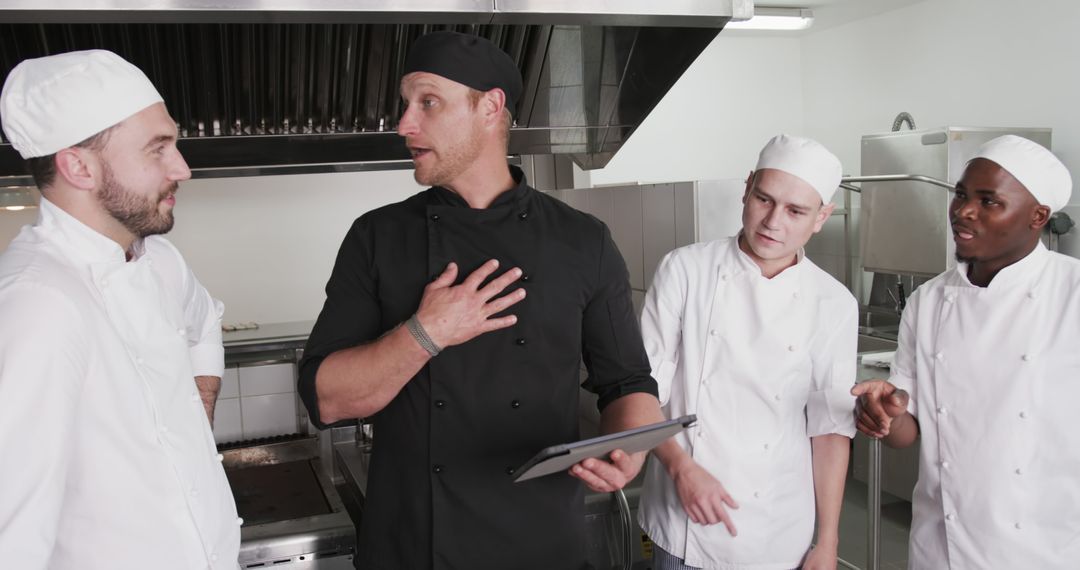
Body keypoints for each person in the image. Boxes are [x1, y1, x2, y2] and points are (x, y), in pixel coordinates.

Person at [298, 31, 663, 569]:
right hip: (415, 545)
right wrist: (427, 333)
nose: (404, 124)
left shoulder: (583, 240)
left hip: (542, 546)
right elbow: (326, 399)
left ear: (490, 108)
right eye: (406, 104)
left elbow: (628, 385)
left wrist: (629, 450)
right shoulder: (377, 237)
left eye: (427, 102)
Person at [0, 50, 238, 568]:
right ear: (78, 166)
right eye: (158, 149)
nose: (183, 169)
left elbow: (205, 324)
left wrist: (201, 400)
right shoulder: (38, 306)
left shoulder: (161, 262)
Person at [852, 134, 1080, 568]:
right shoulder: (930, 300)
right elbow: (906, 431)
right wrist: (885, 412)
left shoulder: (1072, 294)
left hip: (1046, 548)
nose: (963, 211)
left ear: (1038, 216)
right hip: (941, 545)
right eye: (960, 194)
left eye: (989, 201)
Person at [638, 134, 857, 570]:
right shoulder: (686, 269)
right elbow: (644, 393)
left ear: (822, 217)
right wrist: (681, 469)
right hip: (682, 527)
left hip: (778, 529)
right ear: (747, 187)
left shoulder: (833, 302)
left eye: (796, 211)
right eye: (764, 199)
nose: (773, 221)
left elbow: (829, 429)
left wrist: (827, 541)